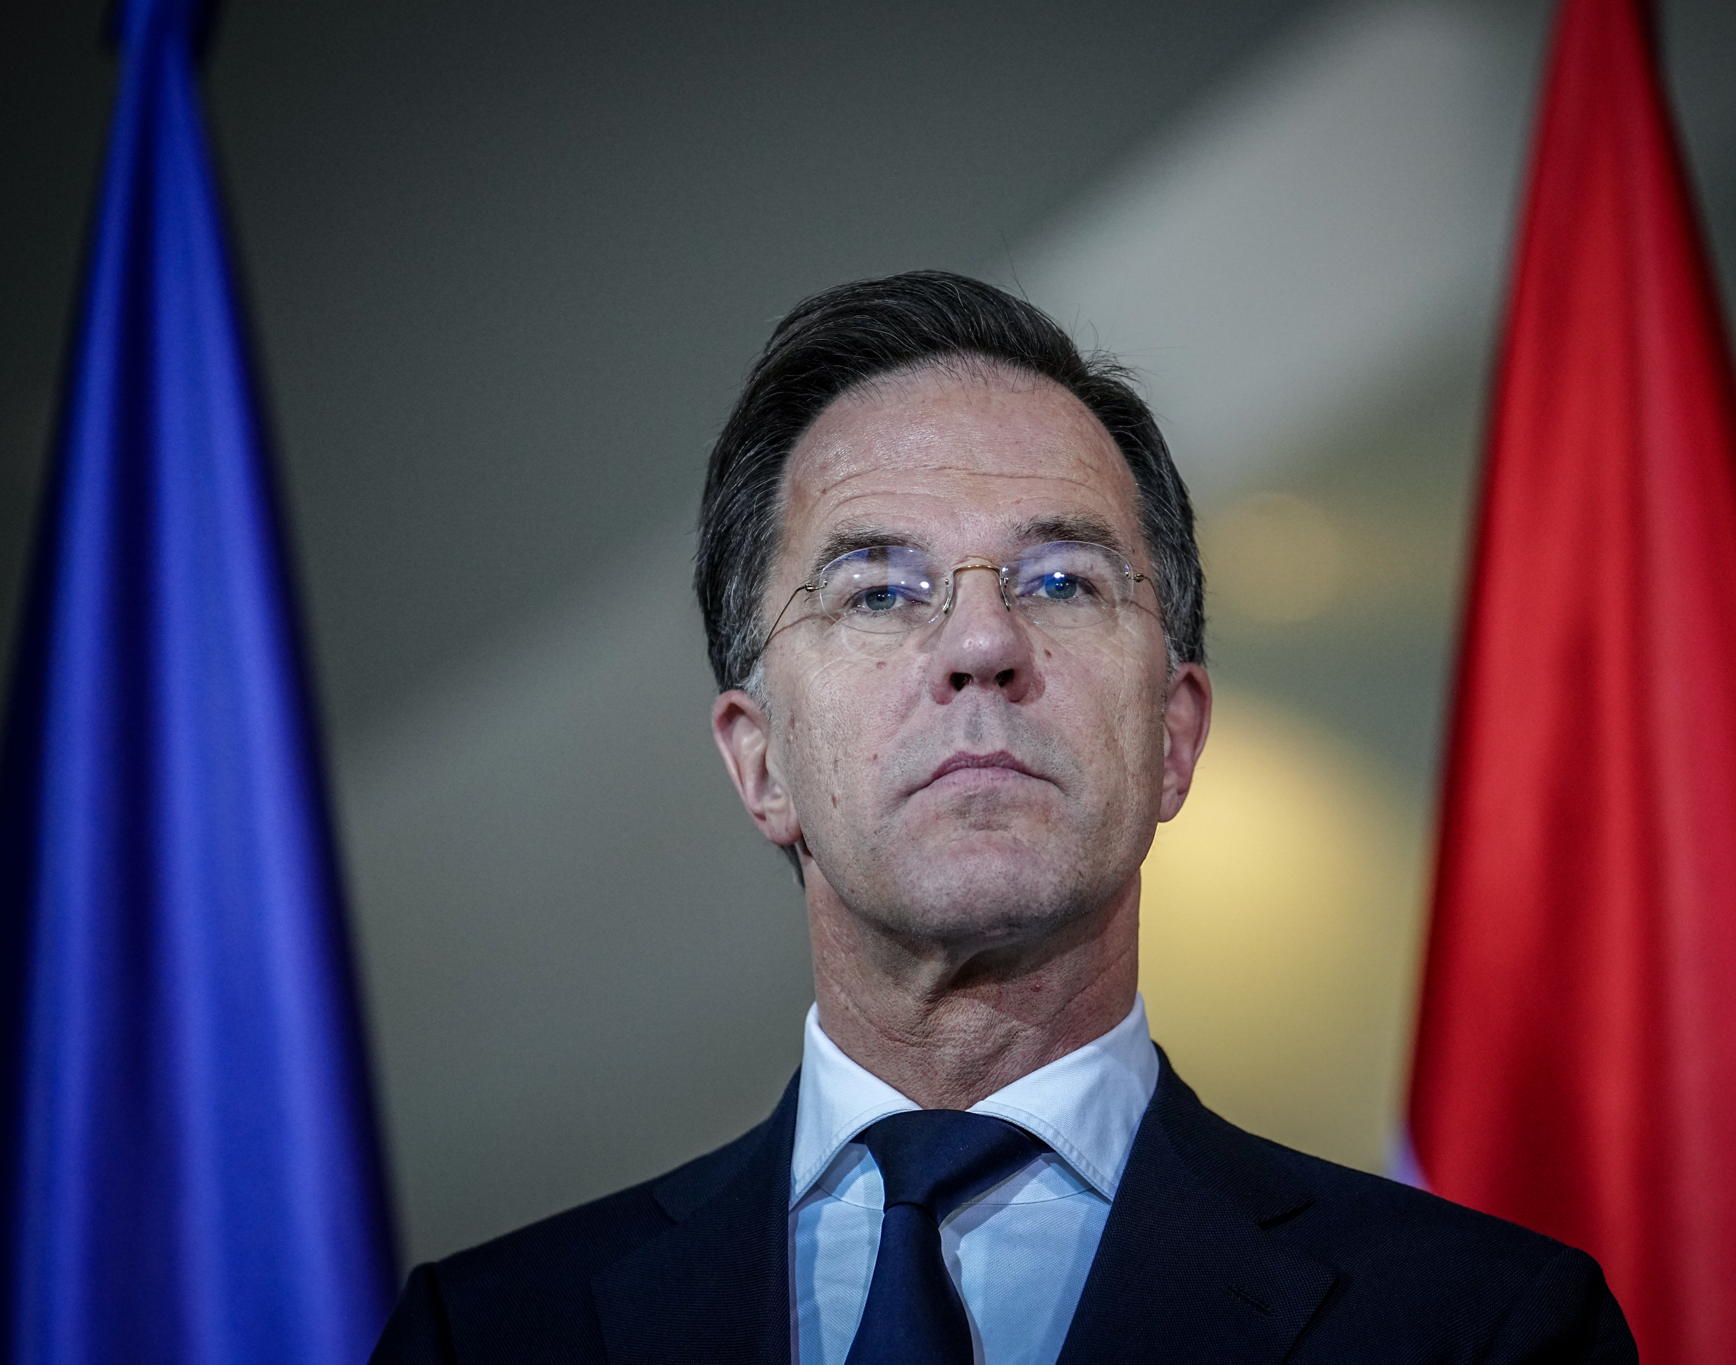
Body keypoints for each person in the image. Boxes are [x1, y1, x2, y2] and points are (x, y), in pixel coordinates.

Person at [370, 271, 1635, 1363]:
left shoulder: (1482, 1328)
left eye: (1060, 581)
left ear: (1172, 736)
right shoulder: (483, 1337)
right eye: (877, 592)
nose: (981, 642)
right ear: (760, 765)